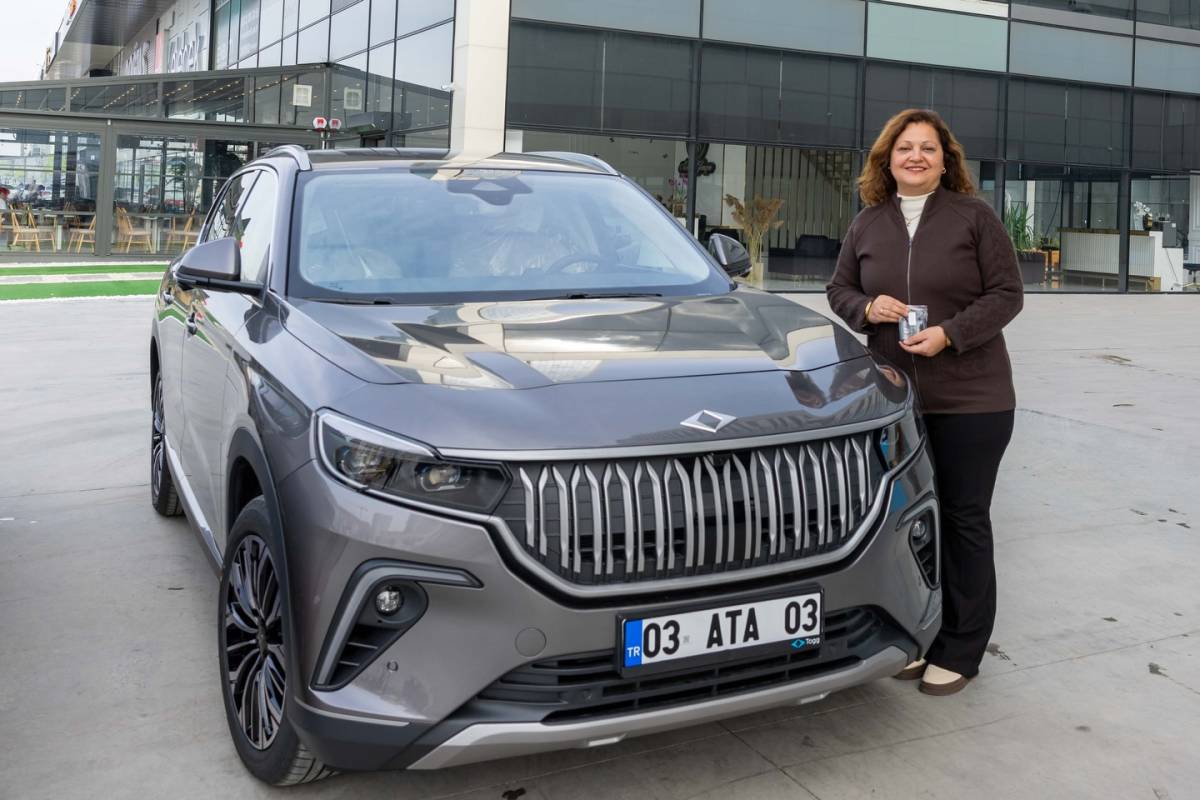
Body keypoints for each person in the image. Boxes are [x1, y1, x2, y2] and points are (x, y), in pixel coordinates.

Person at [826, 108, 1023, 696]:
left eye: (928, 148)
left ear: (945, 161)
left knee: (963, 519)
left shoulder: (974, 217)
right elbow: (839, 289)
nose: (916, 156)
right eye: (905, 148)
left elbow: (1007, 294)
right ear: (887, 161)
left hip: (972, 400)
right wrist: (867, 308)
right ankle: (919, 632)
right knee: (906, 523)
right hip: (894, 400)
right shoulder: (867, 223)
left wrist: (951, 334)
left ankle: (961, 647)